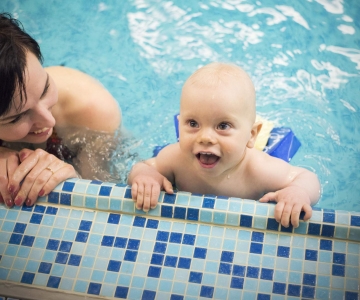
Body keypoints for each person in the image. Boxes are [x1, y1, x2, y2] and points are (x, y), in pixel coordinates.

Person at [128, 62, 321, 228]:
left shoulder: (257, 170)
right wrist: (146, 176)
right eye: (193, 123)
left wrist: (297, 192)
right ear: (180, 124)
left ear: (251, 135)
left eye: (223, 126)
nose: (205, 138)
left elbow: (305, 177)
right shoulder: (176, 159)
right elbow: (143, 166)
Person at [0, 13, 121, 208]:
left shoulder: (93, 112)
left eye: (45, 89)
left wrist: (74, 179)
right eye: (17, 117)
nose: (48, 120)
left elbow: (101, 200)